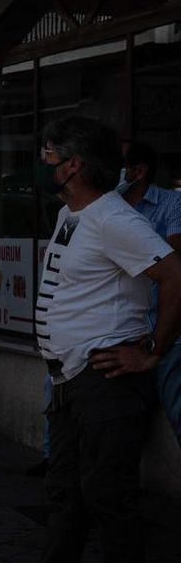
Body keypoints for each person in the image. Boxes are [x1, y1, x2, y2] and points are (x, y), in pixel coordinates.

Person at [0, 119, 181, 563]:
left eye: (49, 157)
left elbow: (175, 274)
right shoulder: (72, 212)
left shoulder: (113, 218)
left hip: (106, 381)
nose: (43, 166)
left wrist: (152, 349)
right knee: (67, 493)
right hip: (70, 380)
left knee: (110, 498)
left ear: (75, 165)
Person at [118, 141, 181, 446]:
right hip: (125, 333)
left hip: (167, 333)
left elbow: (175, 265)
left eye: (117, 163)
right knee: (119, 424)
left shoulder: (172, 204)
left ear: (138, 171)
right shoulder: (106, 210)